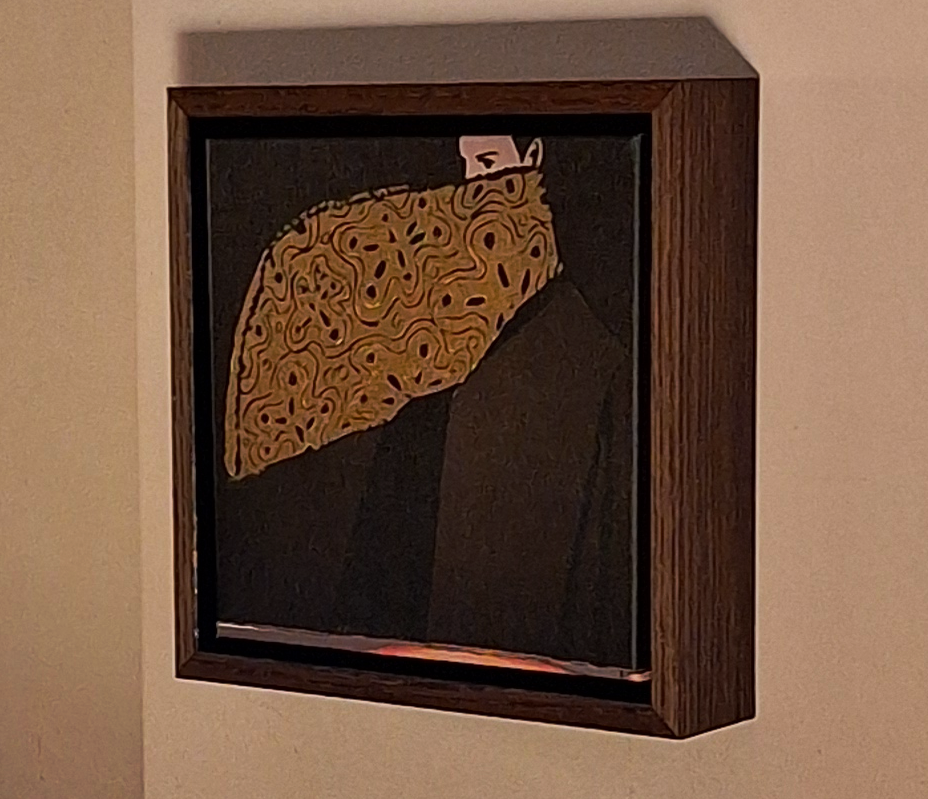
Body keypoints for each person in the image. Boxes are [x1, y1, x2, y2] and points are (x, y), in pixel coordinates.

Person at [217, 133, 637, 671]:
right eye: (467, 166)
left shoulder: (570, 345)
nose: (474, 184)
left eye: (487, 164)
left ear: (533, 159)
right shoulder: (437, 342)